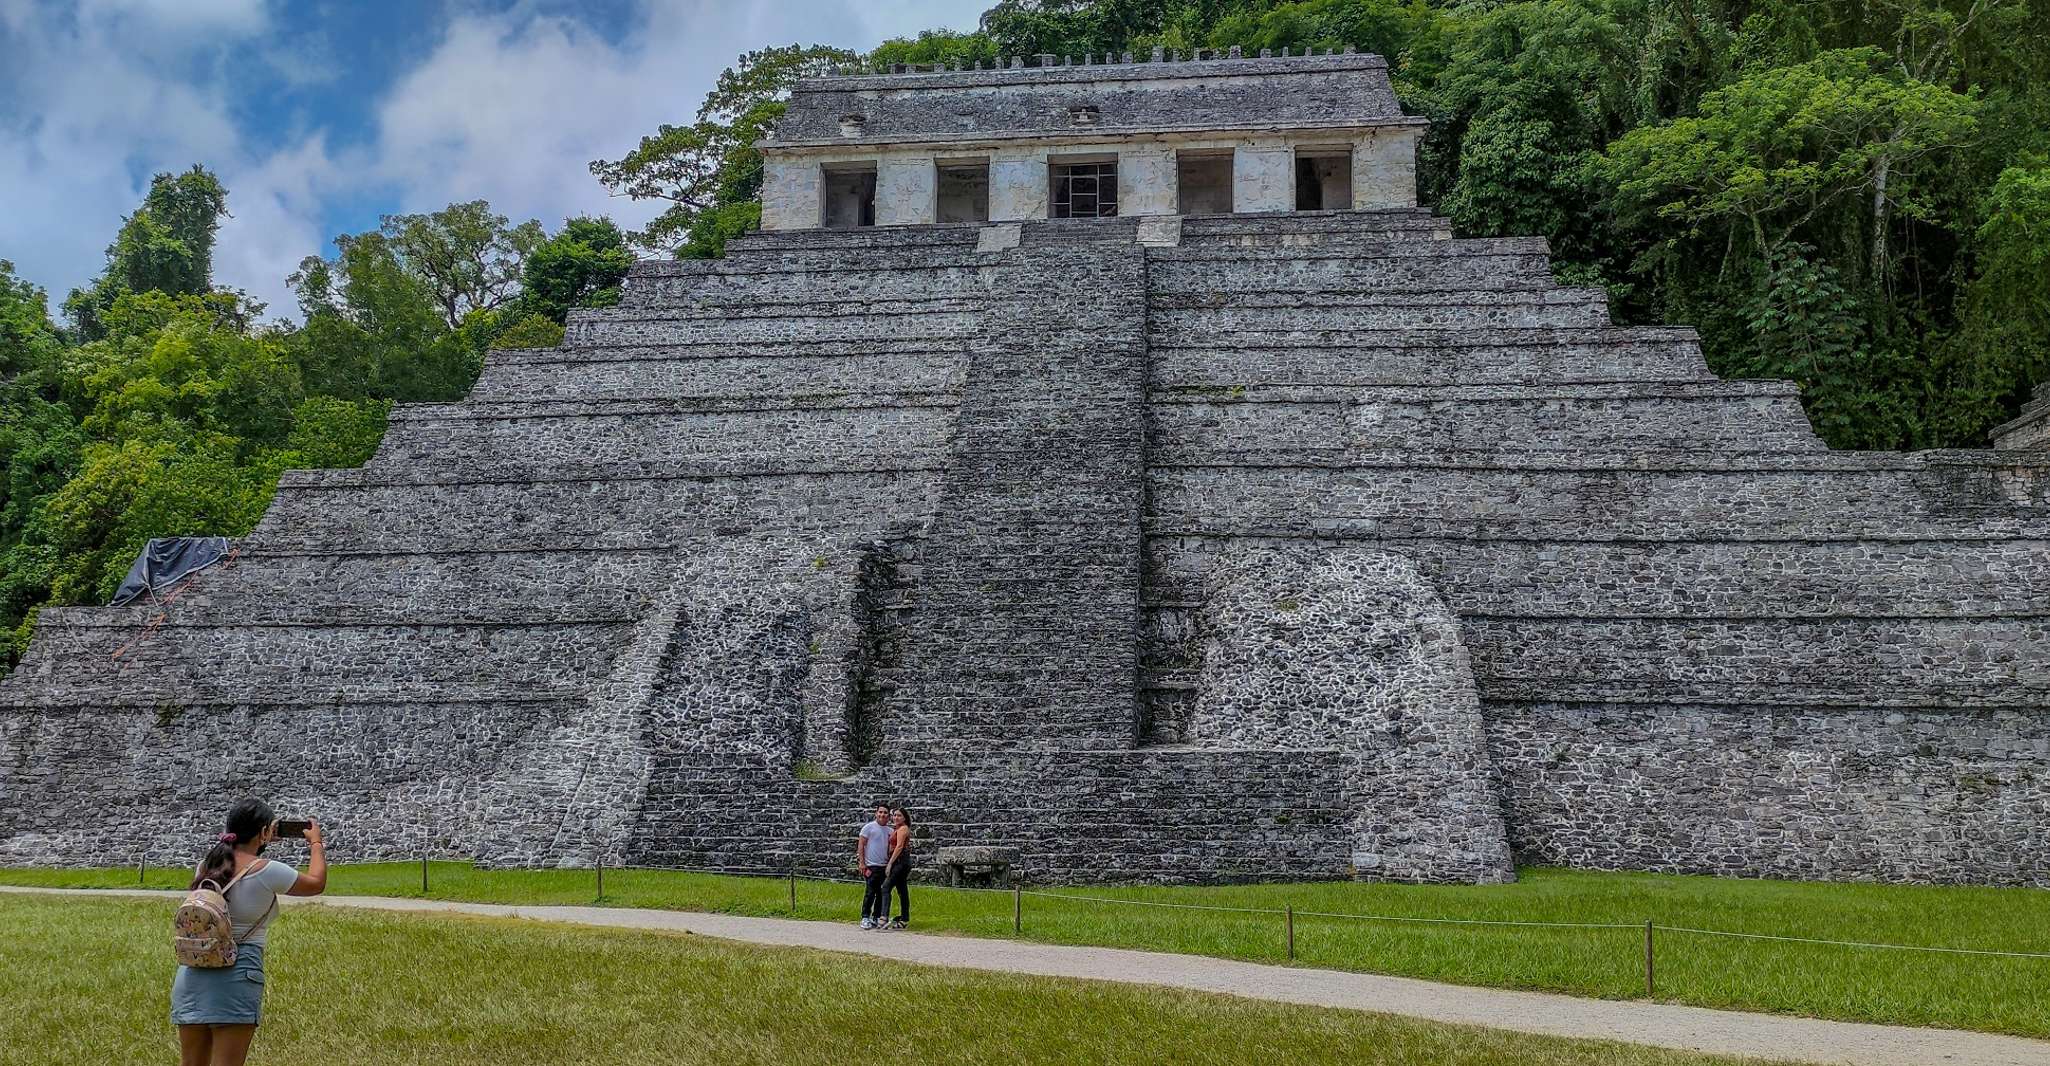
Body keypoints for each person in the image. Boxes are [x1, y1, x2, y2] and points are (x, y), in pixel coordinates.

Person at [173, 798, 327, 1066]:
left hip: (193, 973)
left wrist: (261, 839)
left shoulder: (206, 866)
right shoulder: (267, 871)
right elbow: (316, 883)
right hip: (238, 971)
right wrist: (315, 843)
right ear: (265, 832)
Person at [856, 802, 892, 930]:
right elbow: (861, 845)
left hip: (884, 866)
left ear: (888, 816)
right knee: (870, 892)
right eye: (880, 812)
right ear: (876, 813)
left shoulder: (890, 831)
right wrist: (862, 863)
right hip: (871, 866)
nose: (882, 815)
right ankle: (865, 917)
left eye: (885, 813)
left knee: (881, 893)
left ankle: (876, 917)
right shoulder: (868, 828)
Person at [882, 807, 914, 929]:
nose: (896, 818)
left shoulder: (903, 829)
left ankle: (883, 917)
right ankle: (904, 919)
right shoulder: (898, 829)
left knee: (886, 887)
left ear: (904, 818)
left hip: (900, 862)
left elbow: (899, 846)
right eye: (894, 815)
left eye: (899, 815)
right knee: (902, 890)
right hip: (901, 862)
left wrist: (890, 863)